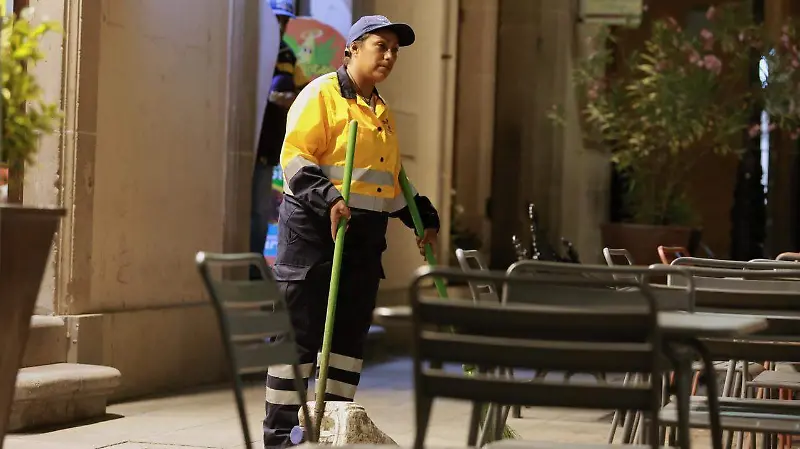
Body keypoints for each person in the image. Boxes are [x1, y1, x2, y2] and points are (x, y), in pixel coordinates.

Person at [263, 14, 440, 449]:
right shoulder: (320, 95)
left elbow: (387, 182)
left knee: (344, 346)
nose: (389, 55)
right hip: (314, 238)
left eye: (395, 49)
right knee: (299, 340)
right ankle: (282, 438)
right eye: (381, 45)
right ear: (353, 49)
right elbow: (296, 159)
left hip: (362, 244)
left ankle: (329, 429)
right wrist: (330, 198)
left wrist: (423, 217)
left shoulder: (381, 112)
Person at [251, 0, 310, 275]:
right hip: (248, 140)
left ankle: (252, 270)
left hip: (268, 144)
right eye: (278, 20)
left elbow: (294, 93)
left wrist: (292, 98)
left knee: (260, 211)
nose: (281, 26)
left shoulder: (287, 53)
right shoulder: (254, 46)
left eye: (285, 21)